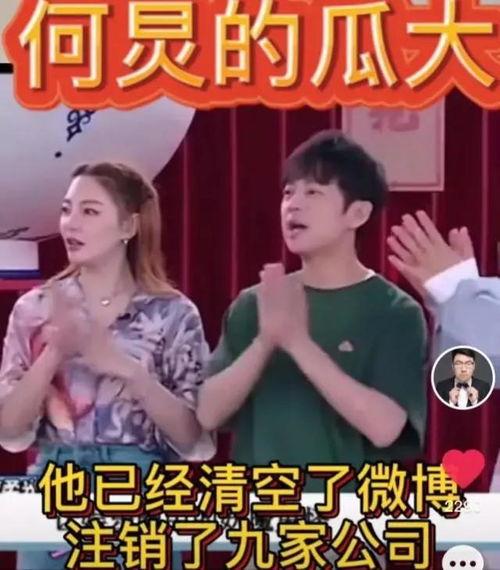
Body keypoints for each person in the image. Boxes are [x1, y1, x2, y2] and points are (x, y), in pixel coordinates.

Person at [0, 162, 215, 569]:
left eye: (90, 211)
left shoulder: (172, 314)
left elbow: (198, 444)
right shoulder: (35, 309)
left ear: (128, 226)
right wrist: (53, 354)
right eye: (66, 210)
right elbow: (9, 436)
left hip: (142, 495)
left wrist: (126, 368)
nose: (71, 223)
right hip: (55, 495)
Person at [196, 130, 428, 490]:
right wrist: (265, 342)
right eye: (288, 193)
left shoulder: (395, 312)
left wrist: (298, 343)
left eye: (313, 192)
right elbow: (207, 414)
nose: (293, 205)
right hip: (263, 510)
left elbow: (385, 428)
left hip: (349, 514)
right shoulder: (255, 303)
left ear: (358, 213)